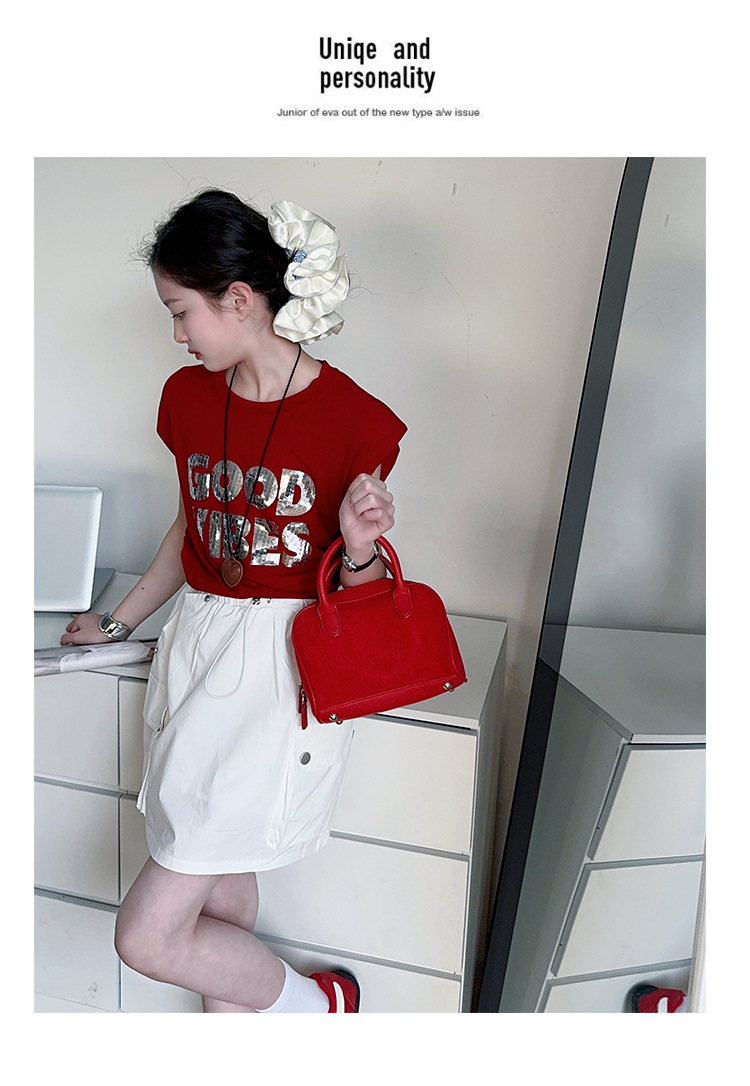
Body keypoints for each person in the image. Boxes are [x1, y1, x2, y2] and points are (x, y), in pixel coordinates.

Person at [61, 189, 407, 1013]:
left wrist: (359, 546)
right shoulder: (188, 399)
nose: (177, 334)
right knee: (218, 871)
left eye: (181, 312)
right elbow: (194, 527)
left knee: (147, 936)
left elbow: (360, 596)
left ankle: (310, 1009)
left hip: (277, 675)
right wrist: (118, 620)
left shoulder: (355, 421)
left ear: (240, 300)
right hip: (199, 644)